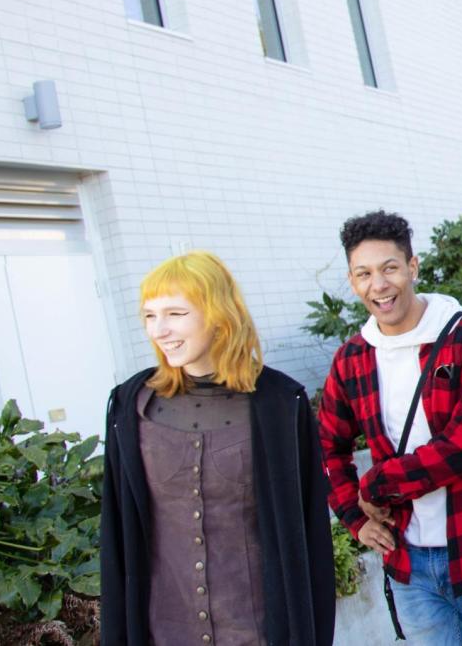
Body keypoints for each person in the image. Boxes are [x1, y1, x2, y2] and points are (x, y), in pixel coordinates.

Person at [100, 251, 335, 645]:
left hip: (257, 633)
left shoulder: (280, 405)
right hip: (165, 634)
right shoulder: (130, 406)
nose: (159, 330)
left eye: (175, 313)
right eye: (149, 316)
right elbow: (117, 538)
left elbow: (309, 538)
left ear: (218, 314)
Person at [318, 210, 462, 645]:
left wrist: (376, 485)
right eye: (364, 274)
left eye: (390, 268)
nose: (379, 285)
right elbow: (327, 447)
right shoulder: (352, 359)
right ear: (353, 282)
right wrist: (355, 518)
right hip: (408, 565)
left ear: (412, 267)